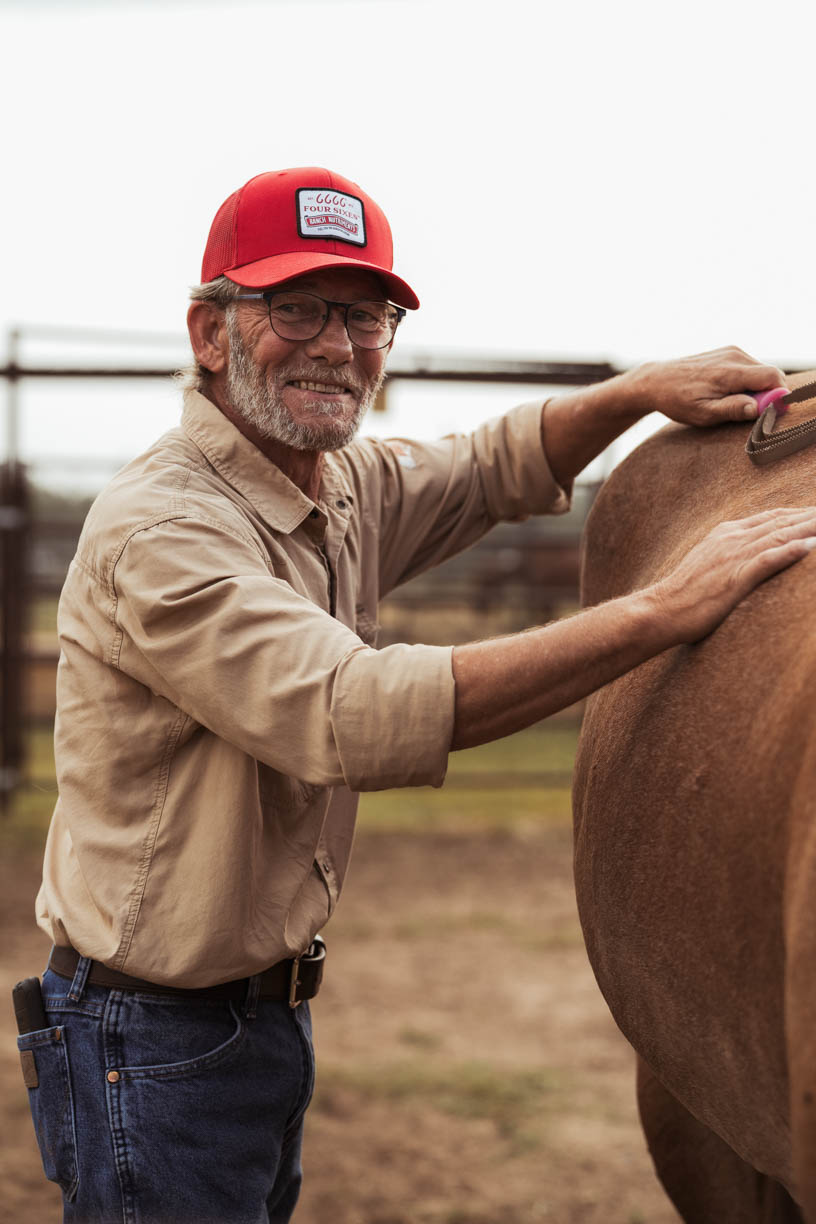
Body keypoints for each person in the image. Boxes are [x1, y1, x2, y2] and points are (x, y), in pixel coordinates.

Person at [20, 166, 816, 1224]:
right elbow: (349, 712)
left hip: (249, 1020)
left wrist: (633, 393)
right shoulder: (166, 534)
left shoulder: (326, 485)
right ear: (210, 334)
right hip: (152, 1037)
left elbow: (487, 468)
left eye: (365, 316)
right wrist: (662, 612)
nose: (337, 346)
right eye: (295, 309)